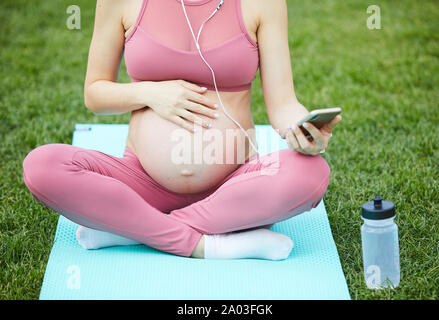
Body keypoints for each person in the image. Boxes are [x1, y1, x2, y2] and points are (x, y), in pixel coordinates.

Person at [22, 0, 341, 260]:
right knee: (43, 166)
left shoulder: (263, 4)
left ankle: (132, 229)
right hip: (141, 182)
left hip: (235, 185)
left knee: (310, 173)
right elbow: (95, 92)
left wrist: (302, 130)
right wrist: (149, 93)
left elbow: (283, 103)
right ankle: (211, 245)